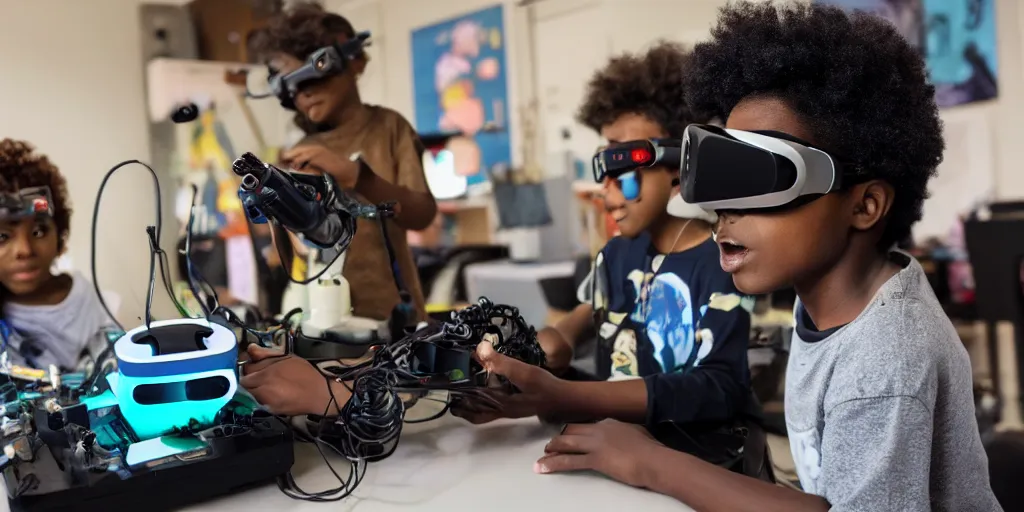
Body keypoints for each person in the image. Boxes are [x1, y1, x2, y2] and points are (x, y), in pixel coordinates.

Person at [526, 3, 1001, 511]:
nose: (724, 209)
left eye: (761, 180)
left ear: (864, 205)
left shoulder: (885, 360)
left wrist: (652, 463)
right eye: (721, 180)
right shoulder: (833, 300)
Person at [450, 42, 758, 469]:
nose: (606, 187)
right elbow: (578, 322)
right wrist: (539, 354)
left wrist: (567, 394)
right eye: (601, 169)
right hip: (611, 452)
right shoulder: (616, 254)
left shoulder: (723, 262)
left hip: (692, 465)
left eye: (622, 167)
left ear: (679, 166)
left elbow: (720, 388)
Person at [249, 1, 436, 322]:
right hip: (322, 319)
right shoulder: (302, 154)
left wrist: (354, 175)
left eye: (310, 78)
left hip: (394, 316)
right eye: (292, 87)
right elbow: (297, 247)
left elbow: (421, 214)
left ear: (355, 61)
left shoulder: (389, 128)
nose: (303, 94)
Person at [0, 139, 118, 371]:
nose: (25, 250)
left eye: (38, 231)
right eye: (2, 236)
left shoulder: (90, 300)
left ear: (60, 233)